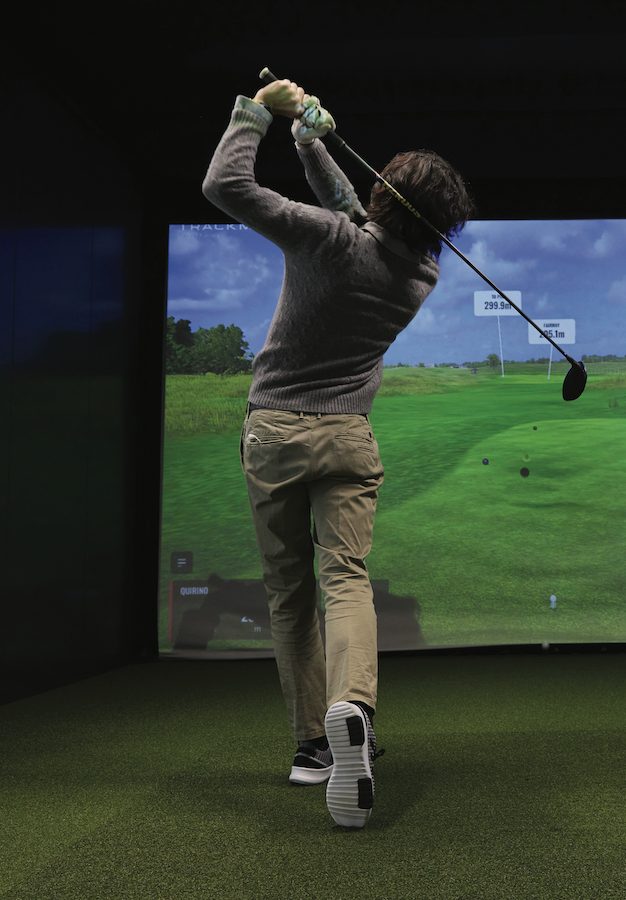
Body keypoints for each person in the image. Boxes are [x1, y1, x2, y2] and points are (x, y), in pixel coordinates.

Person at [202, 78, 474, 828]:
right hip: (348, 437)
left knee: (290, 595)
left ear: (385, 196)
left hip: (274, 435)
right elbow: (362, 218)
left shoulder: (325, 238)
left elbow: (223, 184)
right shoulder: (421, 274)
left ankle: (312, 746)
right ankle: (352, 705)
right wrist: (310, 143)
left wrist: (257, 111)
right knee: (346, 580)